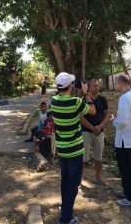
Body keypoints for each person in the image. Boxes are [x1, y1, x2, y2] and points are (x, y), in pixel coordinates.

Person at [51, 72, 96, 224]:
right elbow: (92, 111)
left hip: (62, 150)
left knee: (65, 181)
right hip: (75, 151)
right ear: (70, 86)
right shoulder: (76, 102)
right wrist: (86, 93)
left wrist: (77, 95)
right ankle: (65, 218)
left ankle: (66, 210)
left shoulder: (53, 101)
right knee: (73, 184)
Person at [110, 74, 131, 207]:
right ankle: (127, 191)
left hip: (125, 139)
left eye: (116, 83)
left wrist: (113, 121)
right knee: (128, 167)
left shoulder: (124, 98)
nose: (116, 85)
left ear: (121, 83)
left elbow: (122, 121)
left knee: (126, 168)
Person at [80, 79, 110, 186]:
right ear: (88, 87)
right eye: (94, 86)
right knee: (83, 158)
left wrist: (100, 126)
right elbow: (81, 117)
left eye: (98, 86)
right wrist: (92, 127)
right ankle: (80, 179)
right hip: (85, 132)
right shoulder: (83, 100)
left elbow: (107, 114)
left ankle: (97, 177)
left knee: (98, 157)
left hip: (99, 132)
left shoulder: (102, 99)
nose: (97, 88)